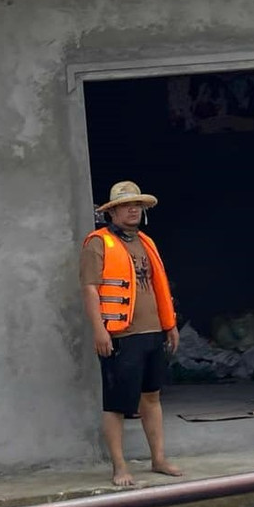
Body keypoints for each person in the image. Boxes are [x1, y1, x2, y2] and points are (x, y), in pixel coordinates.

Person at [79, 180, 183, 487]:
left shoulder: (146, 242)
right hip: (121, 334)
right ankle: (120, 466)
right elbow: (89, 289)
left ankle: (159, 458)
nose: (133, 209)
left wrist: (170, 325)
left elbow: (160, 287)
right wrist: (100, 330)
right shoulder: (98, 243)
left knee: (152, 397)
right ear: (113, 211)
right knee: (117, 403)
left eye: (137, 204)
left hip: (153, 332)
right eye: (126, 205)